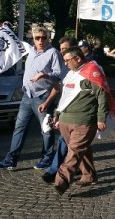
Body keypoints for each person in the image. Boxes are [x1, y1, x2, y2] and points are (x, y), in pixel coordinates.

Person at [0, 27, 62, 170]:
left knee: (46, 130)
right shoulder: (31, 51)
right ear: (33, 39)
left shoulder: (53, 53)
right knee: (19, 128)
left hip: (43, 96)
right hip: (27, 96)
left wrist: (44, 75)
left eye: (43, 37)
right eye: (37, 38)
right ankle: (11, 160)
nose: (40, 40)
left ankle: (47, 158)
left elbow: (59, 75)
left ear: (48, 38)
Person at [51, 47, 110, 195]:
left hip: (83, 120)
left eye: (67, 60)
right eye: (64, 61)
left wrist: (101, 117)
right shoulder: (71, 74)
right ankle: (89, 175)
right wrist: (57, 113)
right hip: (65, 119)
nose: (65, 64)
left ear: (78, 58)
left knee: (74, 152)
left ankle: (61, 181)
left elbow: (102, 95)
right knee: (82, 149)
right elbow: (65, 95)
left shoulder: (92, 71)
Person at [41, 36, 78, 184]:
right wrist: (50, 105)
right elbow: (59, 88)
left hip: (78, 113)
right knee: (70, 143)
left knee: (67, 142)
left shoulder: (86, 67)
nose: (62, 52)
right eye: (61, 49)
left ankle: (54, 171)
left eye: (65, 49)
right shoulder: (64, 66)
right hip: (65, 110)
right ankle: (85, 171)